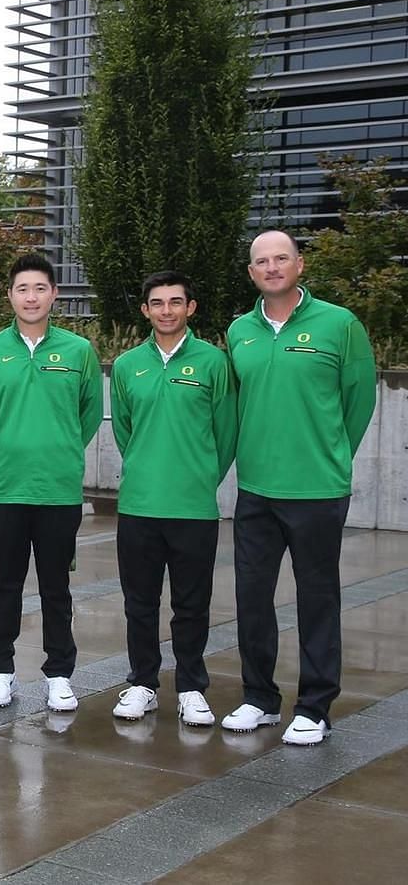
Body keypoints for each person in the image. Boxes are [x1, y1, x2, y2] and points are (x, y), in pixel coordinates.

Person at [222, 230, 375, 745]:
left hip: (316, 490)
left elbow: (358, 402)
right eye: (261, 261)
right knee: (253, 598)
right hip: (257, 488)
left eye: (280, 258)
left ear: (299, 265)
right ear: (250, 272)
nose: (271, 267)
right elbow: (240, 403)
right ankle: (259, 699)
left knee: (317, 598)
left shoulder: (339, 325)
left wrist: (329, 456)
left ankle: (314, 705)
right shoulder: (239, 331)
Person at [0, 253, 101, 711]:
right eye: (23, 289)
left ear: (54, 294)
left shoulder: (78, 351)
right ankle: (0, 671)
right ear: (11, 296)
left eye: (40, 288)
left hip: (58, 492)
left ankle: (59, 673)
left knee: (56, 587)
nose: (32, 297)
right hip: (7, 489)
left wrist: (60, 451)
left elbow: (87, 413)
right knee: (6, 584)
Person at [109, 270, 236, 726]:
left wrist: (201, 477)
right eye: (158, 303)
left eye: (175, 302)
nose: (167, 310)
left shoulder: (213, 363)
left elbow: (226, 432)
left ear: (190, 308)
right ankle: (142, 683)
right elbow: (125, 430)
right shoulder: (127, 366)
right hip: (140, 505)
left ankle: (190, 687)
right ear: (145, 310)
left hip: (193, 507)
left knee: (191, 604)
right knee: (139, 603)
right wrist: (148, 469)